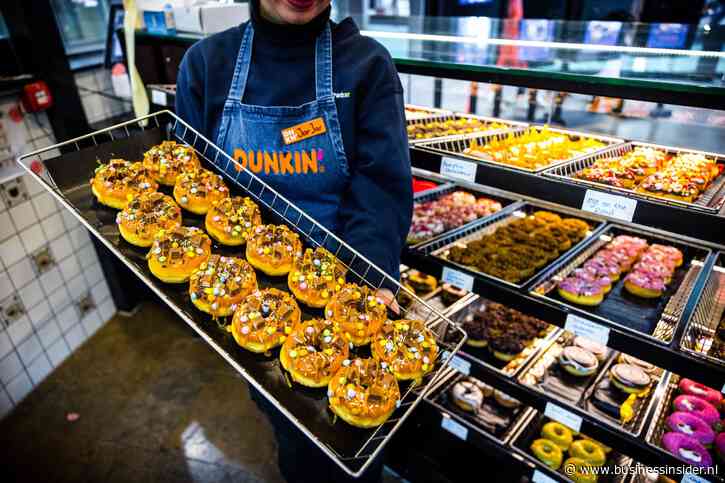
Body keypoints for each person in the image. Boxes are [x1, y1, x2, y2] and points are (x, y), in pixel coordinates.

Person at [175, 0, 412, 481]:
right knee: (289, 430)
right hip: (248, 298)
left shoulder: (366, 64)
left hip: (349, 294)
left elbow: (380, 186)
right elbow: (190, 183)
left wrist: (370, 281)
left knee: (351, 445)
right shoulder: (205, 65)